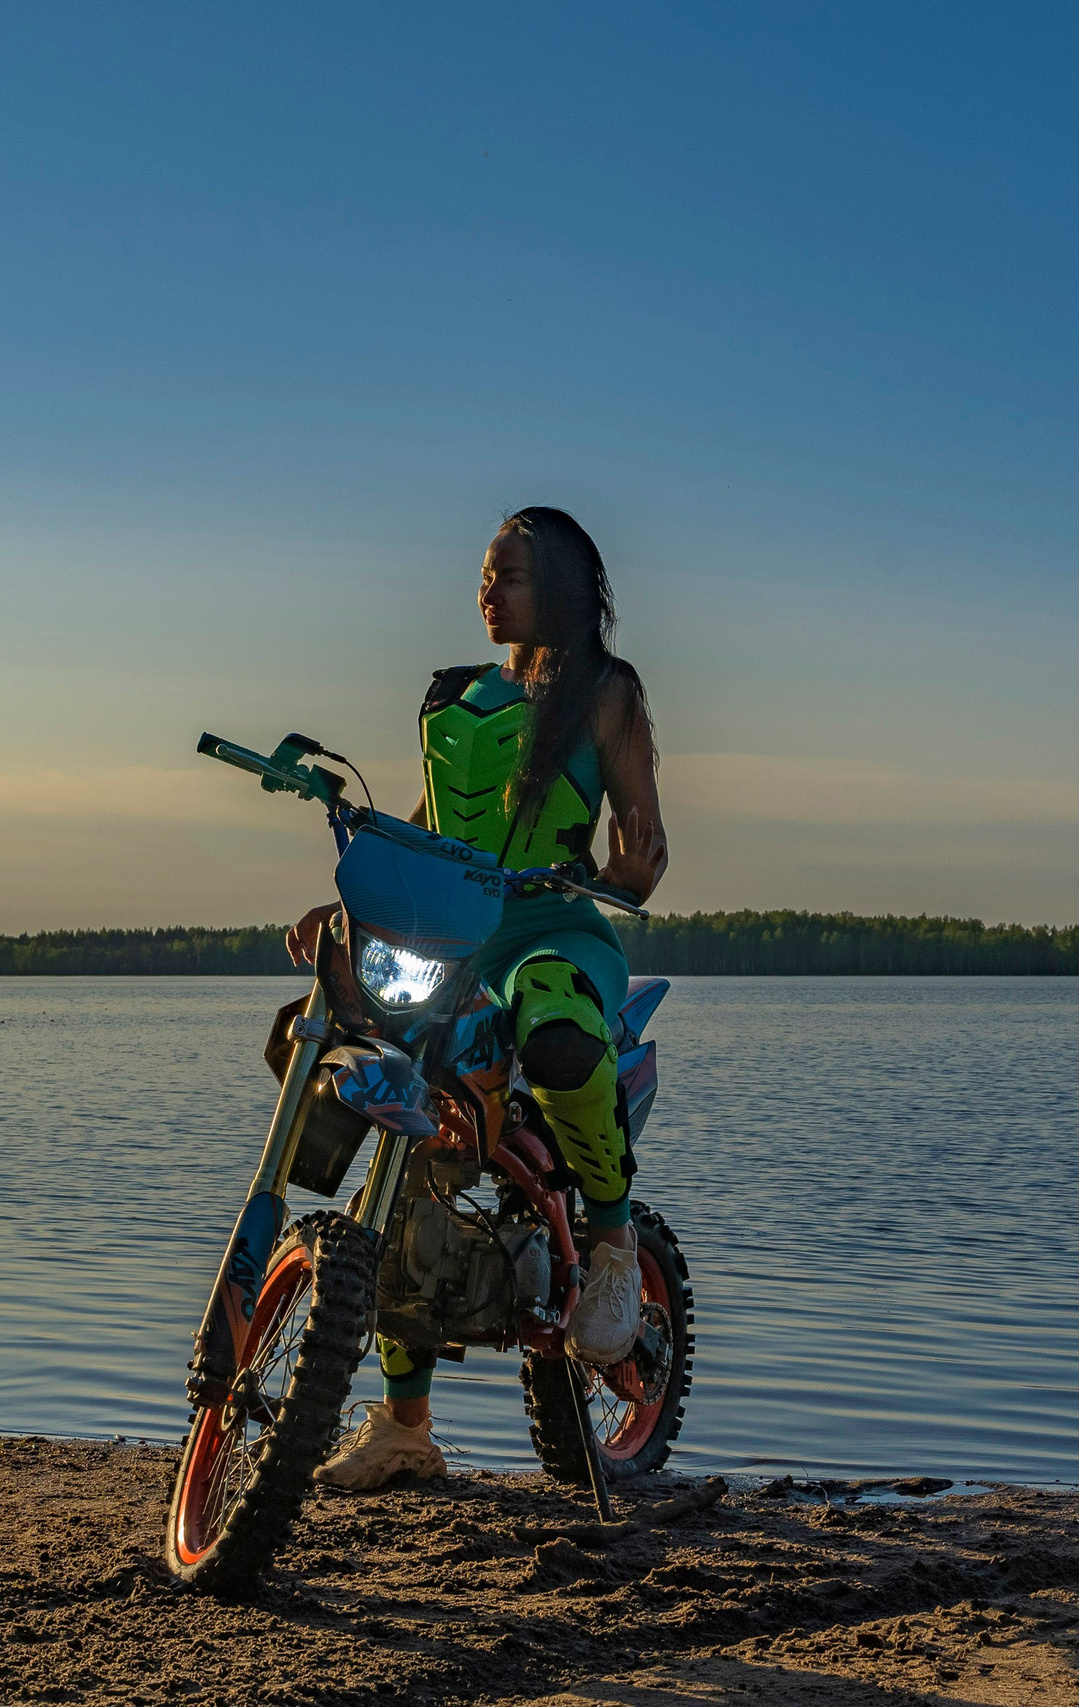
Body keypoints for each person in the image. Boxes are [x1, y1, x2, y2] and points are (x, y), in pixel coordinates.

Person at [285, 506, 669, 1492]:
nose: (486, 591)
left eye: (508, 576)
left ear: (565, 593)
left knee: (556, 1038)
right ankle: (405, 1428)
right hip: (445, 940)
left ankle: (614, 1241)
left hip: (549, 933)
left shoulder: (604, 694)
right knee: (389, 1131)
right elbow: (425, 832)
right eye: (484, 575)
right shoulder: (451, 698)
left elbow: (644, 849)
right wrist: (347, 906)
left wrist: (616, 877)